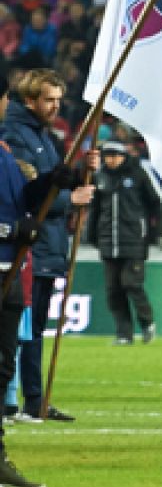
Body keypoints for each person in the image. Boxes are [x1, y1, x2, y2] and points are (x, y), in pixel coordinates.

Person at [3, 68, 94, 424]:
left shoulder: (42, 135)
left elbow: (55, 181)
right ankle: (23, 401)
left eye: (58, 99)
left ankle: (33, 400)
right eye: (48, 100)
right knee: (23, 327)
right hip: (29, 244)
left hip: (47, 241)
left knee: (34, 326)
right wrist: (72, 199)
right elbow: (29, 196)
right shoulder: (16, 135)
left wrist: (83, 169)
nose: (55, 106)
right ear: (29, 100)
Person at [0, 144, 88, 487]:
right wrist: (7, 232)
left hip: (9, 271)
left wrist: (51, 183)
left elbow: (20, 203)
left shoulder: (5, 152)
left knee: (4, 366)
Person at [86, 140, 161, 346]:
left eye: (115, 156)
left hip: (134, 240)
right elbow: (95, 209)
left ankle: (147, 323)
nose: (111, 160)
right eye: (107, 156)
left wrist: (158, 233)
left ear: (123, 156)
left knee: (132, 284)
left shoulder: (138, 174)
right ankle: (123, 334)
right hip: (108, 241)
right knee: (113, 291)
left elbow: (156, 202)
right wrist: (90, 235)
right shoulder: (99, 176)